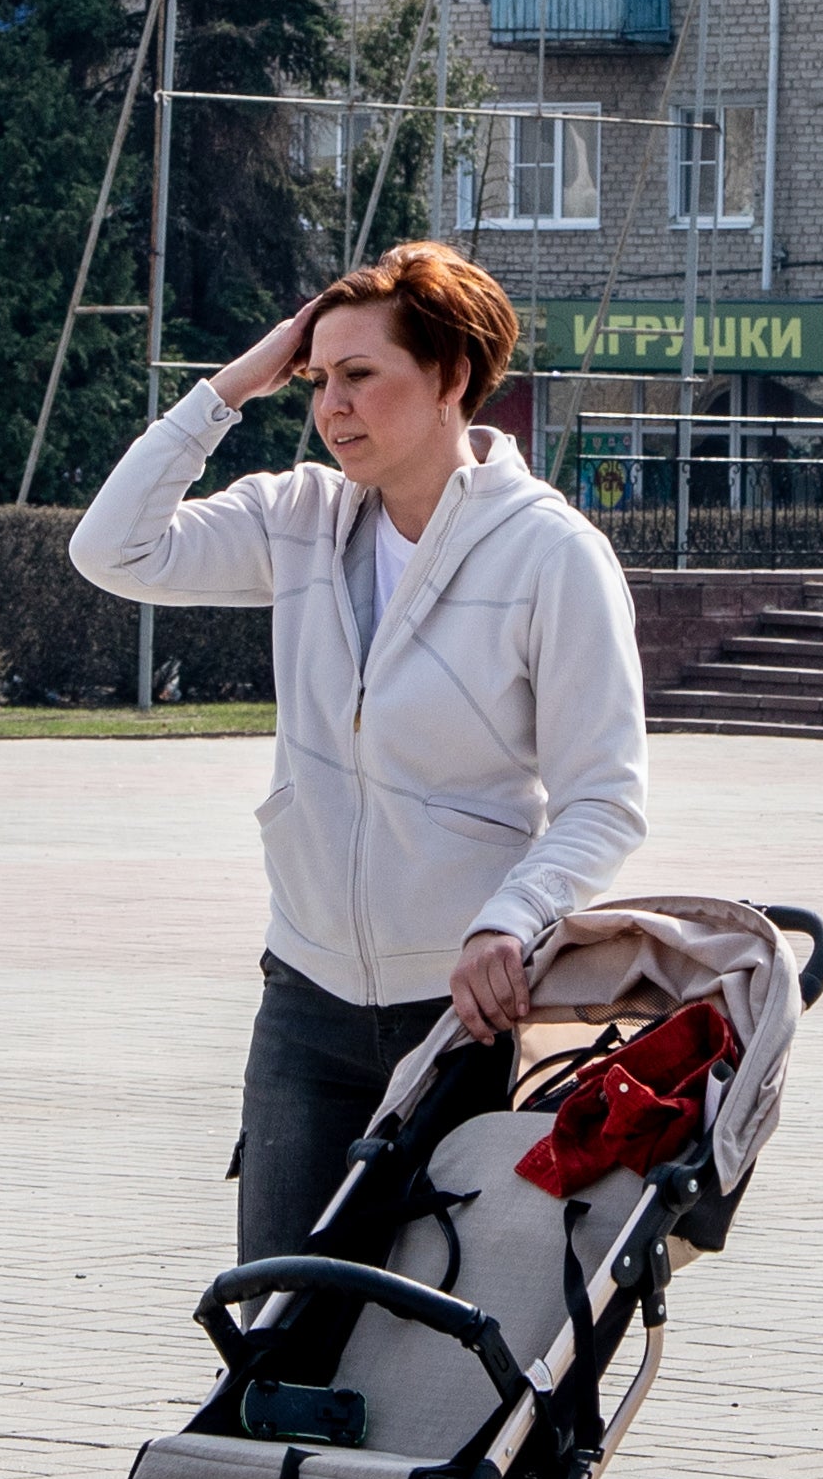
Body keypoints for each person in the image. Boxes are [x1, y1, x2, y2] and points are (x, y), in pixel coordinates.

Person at [70, 242, 653, 1272]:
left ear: (449, 380)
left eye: (360, 374)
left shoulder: (550, 554)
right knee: (276, 1318)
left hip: (461, 1017)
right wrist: (235, 383)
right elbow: (112, 549)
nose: (330, 404)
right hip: (305, 999)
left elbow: (603, 797)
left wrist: (507, 919)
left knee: (432, 1332)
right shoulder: (294, 519)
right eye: (319, 377)